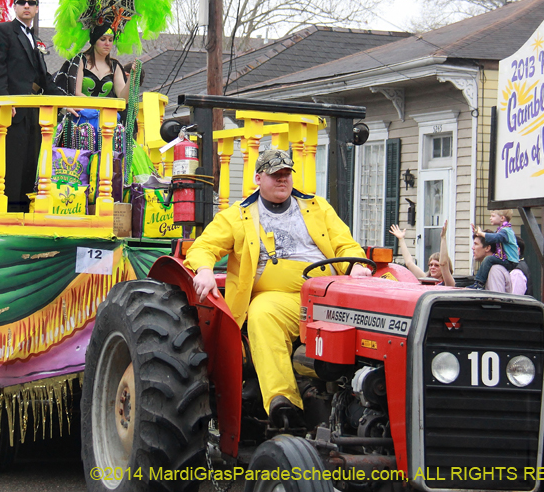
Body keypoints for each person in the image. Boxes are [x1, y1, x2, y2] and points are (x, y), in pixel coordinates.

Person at [184, 149, 371, 429]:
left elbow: (345, 244)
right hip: (279, 300)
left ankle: (366, 394)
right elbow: (204, 247)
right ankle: (283, 403)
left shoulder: (317, 207)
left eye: (286, 174)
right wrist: (206, 270)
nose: (282, 180)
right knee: (262, 314)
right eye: (275, 175)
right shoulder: (238, 215)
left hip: (326, 295)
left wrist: (355, 265)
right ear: (259, 178)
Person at [0, 0, 59, 212]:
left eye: (31, 2)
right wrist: (4, 101)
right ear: (14, 6)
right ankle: (6, 218)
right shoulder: (2, 31)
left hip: (33, 113)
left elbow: (44, 79)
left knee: (30, 166)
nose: (26, 6)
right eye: (21, 2)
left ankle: (23, 217)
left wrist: (67, 101)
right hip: (12, 112)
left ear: (37, 8)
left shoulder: (35, 40)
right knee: (11, 167)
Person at [389, 222, 454, 285]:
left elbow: (444, 264)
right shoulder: (426, 279)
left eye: (436, 265)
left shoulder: (448, 282)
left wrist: (443, 238)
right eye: (430, 265)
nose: (432, 267)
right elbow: (409, 263)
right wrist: (401, 239)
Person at [468, 209, 519, 289]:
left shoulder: (505, 231)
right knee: (489, 260)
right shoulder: (502, 230)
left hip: (510, 261)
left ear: (502, 218)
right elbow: (492, 236)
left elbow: (495, 237)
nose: (490, 218)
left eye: (493, 216)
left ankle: (479, 283)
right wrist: (477, 233)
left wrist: (482, 233)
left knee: (488, 259)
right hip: (507, 260)